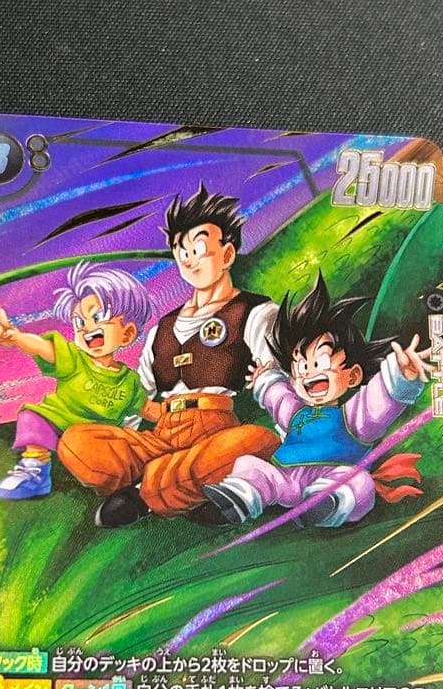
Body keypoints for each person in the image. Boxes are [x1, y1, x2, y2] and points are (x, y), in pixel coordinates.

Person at [57, 183, 280, 525]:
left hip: (215, 432)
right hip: (161, 433)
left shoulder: (255, 312)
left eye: (199, 249)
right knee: (77, 442)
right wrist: (124, 445)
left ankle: (143, 495)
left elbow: (275, 379)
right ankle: (176, 483)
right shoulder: (162, 328)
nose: (189, 259)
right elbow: (139, 396)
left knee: (257, 440)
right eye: (181, 251)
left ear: (227, 254)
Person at [202, 272, 431, 527]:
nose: (309, 374)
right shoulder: (296, 412)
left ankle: (324, 504)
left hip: (331, 474)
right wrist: (265, 378)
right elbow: (279, 398)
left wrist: (401, 374)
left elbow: (378, 400)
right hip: (285, 477)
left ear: (353, 375)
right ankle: (240, 498)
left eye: (320, 362)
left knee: (358, 482)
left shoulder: (352, 415)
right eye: (301, 367)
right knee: (249, 465)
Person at [0, 262, 151, 500]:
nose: (87, 329)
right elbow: (43, 348)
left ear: (127, 334)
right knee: (32, 417)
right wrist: (17, 337)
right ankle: (36, 470)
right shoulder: (75, 358)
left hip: (95, 435)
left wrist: (173, 413)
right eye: (80, 322)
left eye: (98, 318)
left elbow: (146, 408)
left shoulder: (129, 380)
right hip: (60, 420)